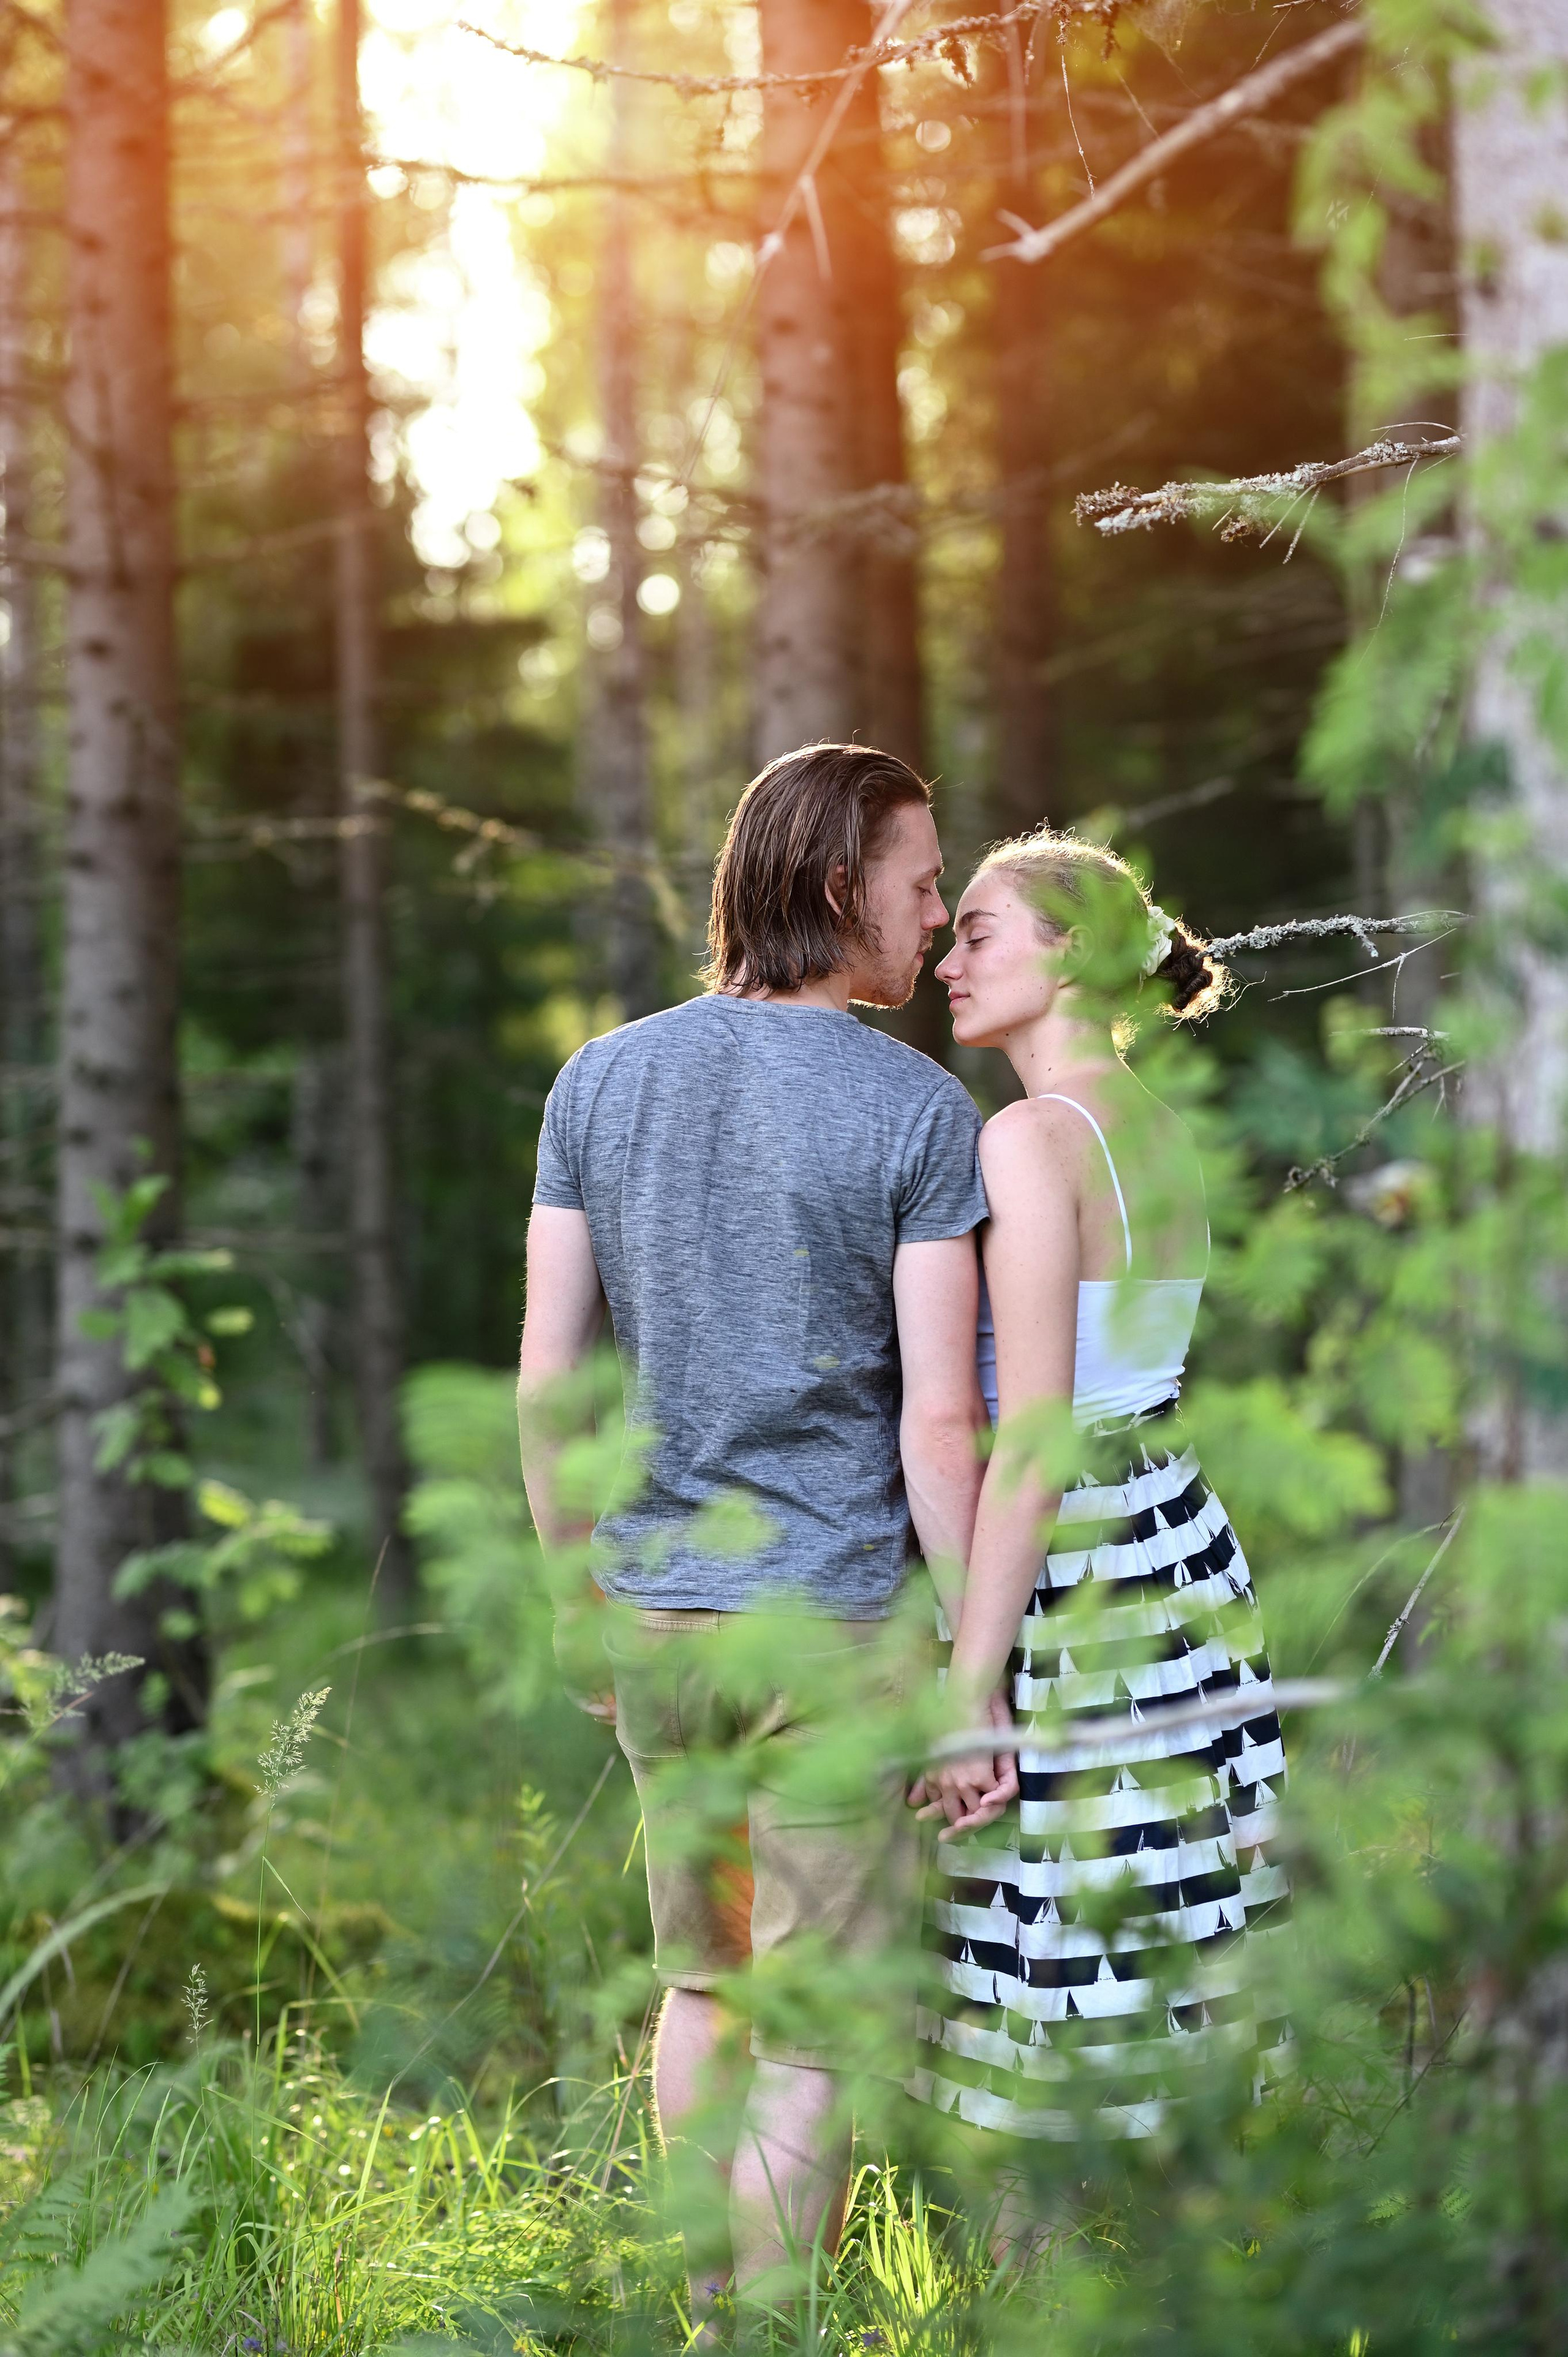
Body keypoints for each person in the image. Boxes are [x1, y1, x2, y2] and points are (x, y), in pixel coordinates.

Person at [516, 743, 996, 2312]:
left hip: (653, 1617)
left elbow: (545, 1386)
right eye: (922, 883)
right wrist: (971, 1671)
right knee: (808, 2022)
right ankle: (765, 2336)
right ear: (837, 881)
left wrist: (569, 1599)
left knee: (703, 1987)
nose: (935, 917)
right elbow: (940, 1421)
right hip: (836, 1632)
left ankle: (695, 2315)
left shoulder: (600, 1078)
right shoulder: (923, 1114)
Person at [909, 828, 1291, 2187]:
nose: (942, 962)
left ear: (1066, 950)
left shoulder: (1028, 1136)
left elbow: (1035, 1438)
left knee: (1055, 1967)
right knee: (1160, 1929)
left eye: (975, 932)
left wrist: (969, 1689)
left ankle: (1039, 2300)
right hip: (1178, 1535)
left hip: (1083, 1563)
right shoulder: (1153, 1124)